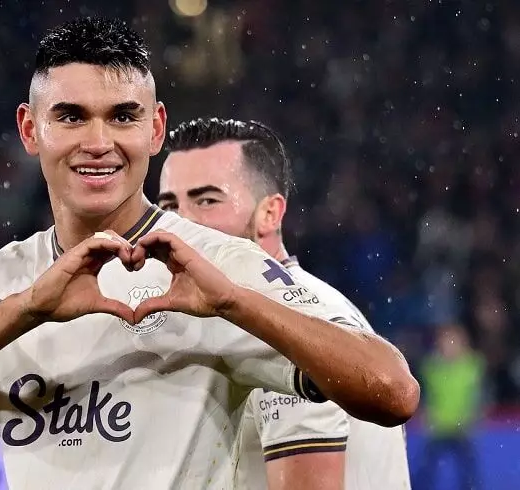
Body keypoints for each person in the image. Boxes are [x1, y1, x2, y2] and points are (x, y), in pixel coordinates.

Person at [0, 18, 419, 489]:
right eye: (71, 116)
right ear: (30, 130)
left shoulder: (220, 267)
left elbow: (393, 392)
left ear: (155, 129)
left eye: (123, 117)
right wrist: (29, 308)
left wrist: (233, 303)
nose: (98, 142)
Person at [158, 117, 412, 490]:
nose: (182, 223)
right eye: (168, 206)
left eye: (207, 200)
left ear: (270, 214)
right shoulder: (305, 305)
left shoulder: (283, 328)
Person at [417, 323, 484, 490]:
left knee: (468, 473)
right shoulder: (430, 367)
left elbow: (479, 396)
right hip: (437, 427)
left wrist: (472, 416)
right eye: (446, 341)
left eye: (454, 341)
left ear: (463, 343)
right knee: (426, 472)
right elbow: (424, 395)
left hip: (463, 428)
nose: (449, 346)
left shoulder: (473, 366)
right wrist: (426, 414)